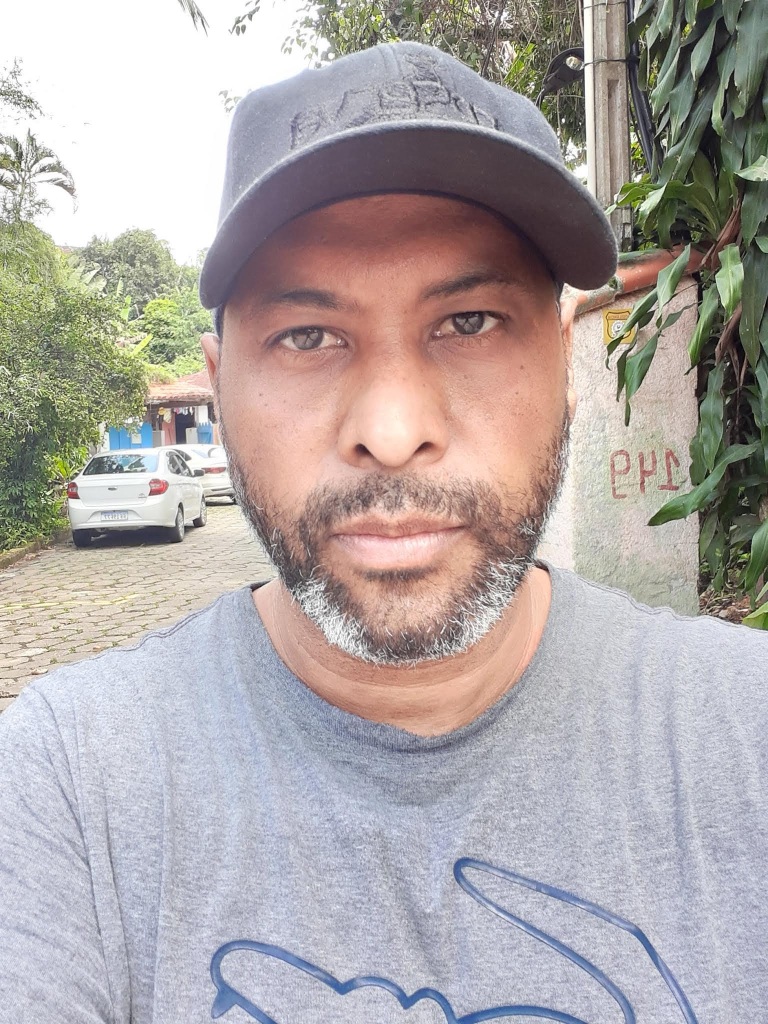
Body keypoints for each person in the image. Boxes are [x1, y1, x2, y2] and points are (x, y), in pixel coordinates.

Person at [0, 41, 766, 1024]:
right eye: (307, 336)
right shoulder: (67, 788)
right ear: (220, 387)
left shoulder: (746, 734)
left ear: (565, 360)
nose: (394, 432)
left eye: (470, 321)